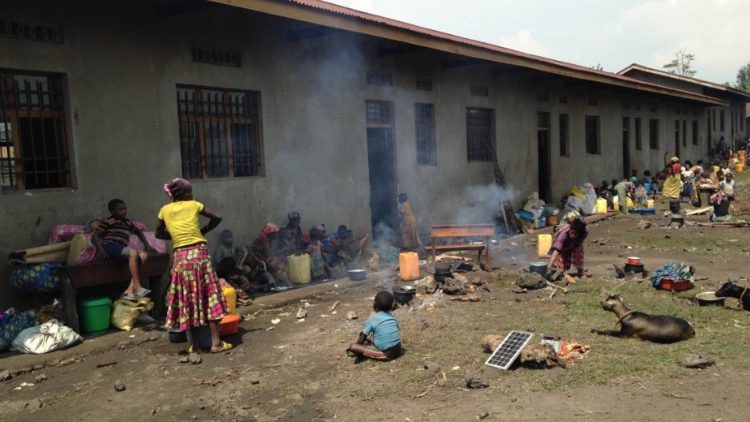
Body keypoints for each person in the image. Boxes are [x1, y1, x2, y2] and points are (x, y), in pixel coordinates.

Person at [156, 178, 231, 354]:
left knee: (187, 298)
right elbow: (218, 217)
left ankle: (195, 345)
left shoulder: (164, 210)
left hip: (181, 258)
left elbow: (159, 233)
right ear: (183, 194)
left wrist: (176, 237)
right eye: (190, 192)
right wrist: (203, 231)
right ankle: (215, 344)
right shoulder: (194, 205)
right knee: (209, 296)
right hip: (199, 254)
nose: (192, 194)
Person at [94, 199, 156, 300]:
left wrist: (147, 246)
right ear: (112, 211)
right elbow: (96, 235)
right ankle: (137, 288)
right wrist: (101, 250)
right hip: (111, 246)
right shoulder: (109, 221)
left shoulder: (127, 222)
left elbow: (139, 232)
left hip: (121, 248)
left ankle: (131, 288)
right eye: (120, 209)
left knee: (143, 256)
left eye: (125, 209)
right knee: (133, 253)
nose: (124, 211)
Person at [346, 291, 402, 361]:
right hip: (398, 350)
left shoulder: (372, 319)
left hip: (386, 354)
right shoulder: (391, 317)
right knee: (371, 339)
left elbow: (362, 337)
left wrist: (358, 345)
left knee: (353, 347)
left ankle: (374, 354)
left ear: (374, 305)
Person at [212, 229, 253, 305]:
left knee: (245, 282)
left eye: (230, 237)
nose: (230, 239)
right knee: (233, 285)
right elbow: (217, 263)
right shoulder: (220, 249)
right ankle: (239, 297)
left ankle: (241, 295)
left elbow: (242, 251)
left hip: (234, 271)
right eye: (227, 237)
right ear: (223, 239)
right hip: (225, 274)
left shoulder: (233, 247)